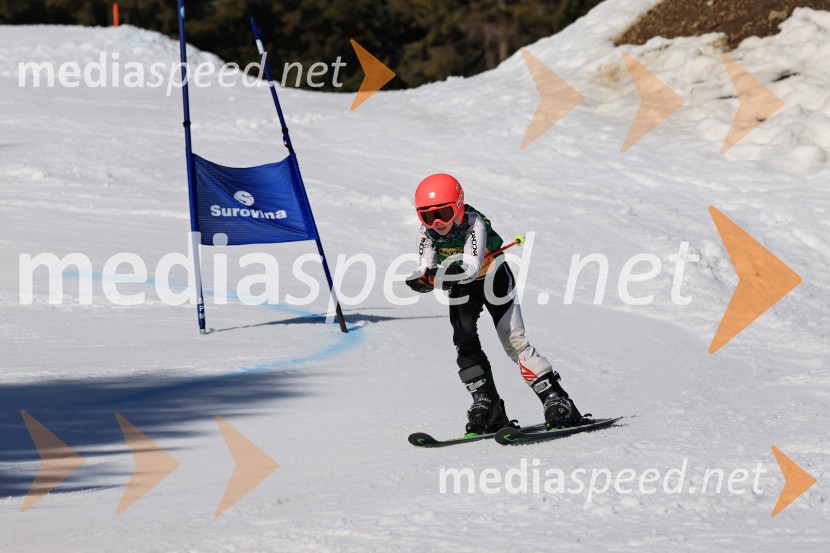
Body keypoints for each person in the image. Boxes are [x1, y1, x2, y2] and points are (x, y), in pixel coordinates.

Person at [406, 173, 585, 435]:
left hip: (494, 279)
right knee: (464, 342)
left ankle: (557, 399)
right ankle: (488, 405)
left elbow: (470, 268)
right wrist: (423, 279)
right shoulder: (426, 233)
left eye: (443, 213)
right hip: (462, 288)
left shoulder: (473, 223)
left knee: (513, 341)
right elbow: (426, 268)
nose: (437, 223)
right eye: (427, 216)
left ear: (458, 207)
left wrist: (438, 277)